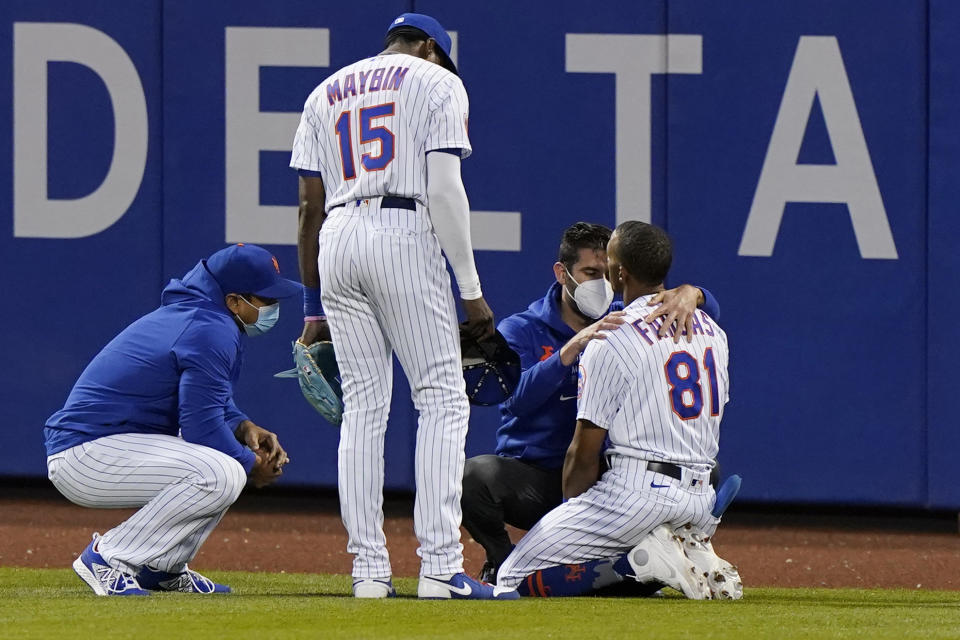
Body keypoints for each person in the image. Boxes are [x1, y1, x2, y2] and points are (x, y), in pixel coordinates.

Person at [289, 13, 516, 600]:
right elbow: (444, 188)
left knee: (364, 408)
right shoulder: (437, 81)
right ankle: (440, 567)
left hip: (337, 236)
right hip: (402, 229)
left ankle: (368, 571)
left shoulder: (325, 91)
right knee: (441, 396)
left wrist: (314, 301)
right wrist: (471, 290)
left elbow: (308, 207)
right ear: (431, 48)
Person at [461, 222, 719, 583]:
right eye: (589, 273)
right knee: (471, 477)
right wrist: (568, 352)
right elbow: (513, 401)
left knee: (706, 470)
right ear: (562, 273)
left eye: (605, 272)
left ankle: (635, 569)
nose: (601, 282)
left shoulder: (619, 317)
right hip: (536, 475)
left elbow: (710, 312)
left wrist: (694, 293)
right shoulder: (522, 328)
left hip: (606, 478)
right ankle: (502, 560)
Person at [44, 243, 296, 596]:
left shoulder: (204, 317)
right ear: (235, 301)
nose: (273, 307)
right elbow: (200, 425)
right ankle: (108, 557)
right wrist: (251, 463)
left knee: (222, 466)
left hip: (112, 445)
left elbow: (205, 399)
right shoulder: (210, 328)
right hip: (86, 455)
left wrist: (243, 426)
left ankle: (161, 569)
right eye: (265, 300)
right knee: (221, 472)